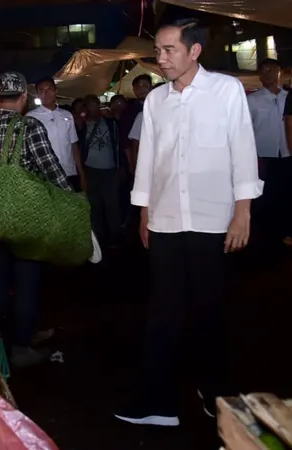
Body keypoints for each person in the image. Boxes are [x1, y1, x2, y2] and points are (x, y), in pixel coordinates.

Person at [117, 18, 262, 427]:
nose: (160, 59)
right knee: (162, 313)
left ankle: (216, 396)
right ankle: (156, 403)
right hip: (164, 221)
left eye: (168, 51)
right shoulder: (155, 101)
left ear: (194, 51)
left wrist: (243, 212)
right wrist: (145, 213)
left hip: (213, 219)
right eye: (158, 51)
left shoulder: (226, 90)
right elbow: (148, 161)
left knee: (210, 312)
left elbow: (243, 152)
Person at [0, 71, 72, 368]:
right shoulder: (30, 127)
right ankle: (22, 346)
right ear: (24, 97)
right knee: (27, 281)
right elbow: (52, 171)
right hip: (27, 219)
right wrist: (71, 202)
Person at [247, 58, 289, 254]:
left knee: (285, 194)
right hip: (263, 155)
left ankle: (284, 231)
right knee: (264, 197)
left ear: (280, 72)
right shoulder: (252, 100)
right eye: (263, 71)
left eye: (271, 69)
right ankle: (264, 237)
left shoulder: (288, 97)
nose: (267, 74)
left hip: (287, 154)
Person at [78, 95, 122, 247]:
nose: (93, 108)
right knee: (95, 207)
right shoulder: (82, 125)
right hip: (91, 171)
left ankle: (116, 239)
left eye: (95, 104)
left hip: (109, 171)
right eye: (90, 105)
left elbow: (119, 144)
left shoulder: (111, 123)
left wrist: (120, 166)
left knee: (112, 206)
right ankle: (99, 240)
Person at [28, 77, 85, 192]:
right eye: (42, 91)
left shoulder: (67, 115)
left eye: (49, 89)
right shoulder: (31, 118)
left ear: (56, 91)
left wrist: (82, 174)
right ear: (38, 94)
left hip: (69, 173)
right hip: (46, 176)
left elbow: (73, 145)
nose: (46, 93)